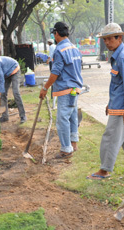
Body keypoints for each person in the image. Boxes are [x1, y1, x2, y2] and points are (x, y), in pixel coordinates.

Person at [87, 23, 124, 180]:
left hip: (123, 108)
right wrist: (110, 103)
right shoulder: (118, 55)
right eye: (104, 39)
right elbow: (118, 85)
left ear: (119, 38)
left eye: (109, 39)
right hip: (119, 105)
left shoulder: (122, 57)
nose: (106, 42)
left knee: (111, 136)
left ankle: (104, 170)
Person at [39, 22, 83, 159]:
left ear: (56, 33)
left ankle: (66, 149)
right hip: (75, 88)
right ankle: (73, 144)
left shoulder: (59, 50)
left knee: (62, 119)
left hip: (65, 90)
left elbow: (55, 72)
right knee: (72, 116)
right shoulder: (74, 48)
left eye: (54, 34)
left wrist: (45, 88)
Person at [0, 56, 27, 123]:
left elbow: (1, 81)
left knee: (15, 92)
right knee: (3, 94)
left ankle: (23, 116)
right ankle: (5, 116)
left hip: (14, 69)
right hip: (6, 73)